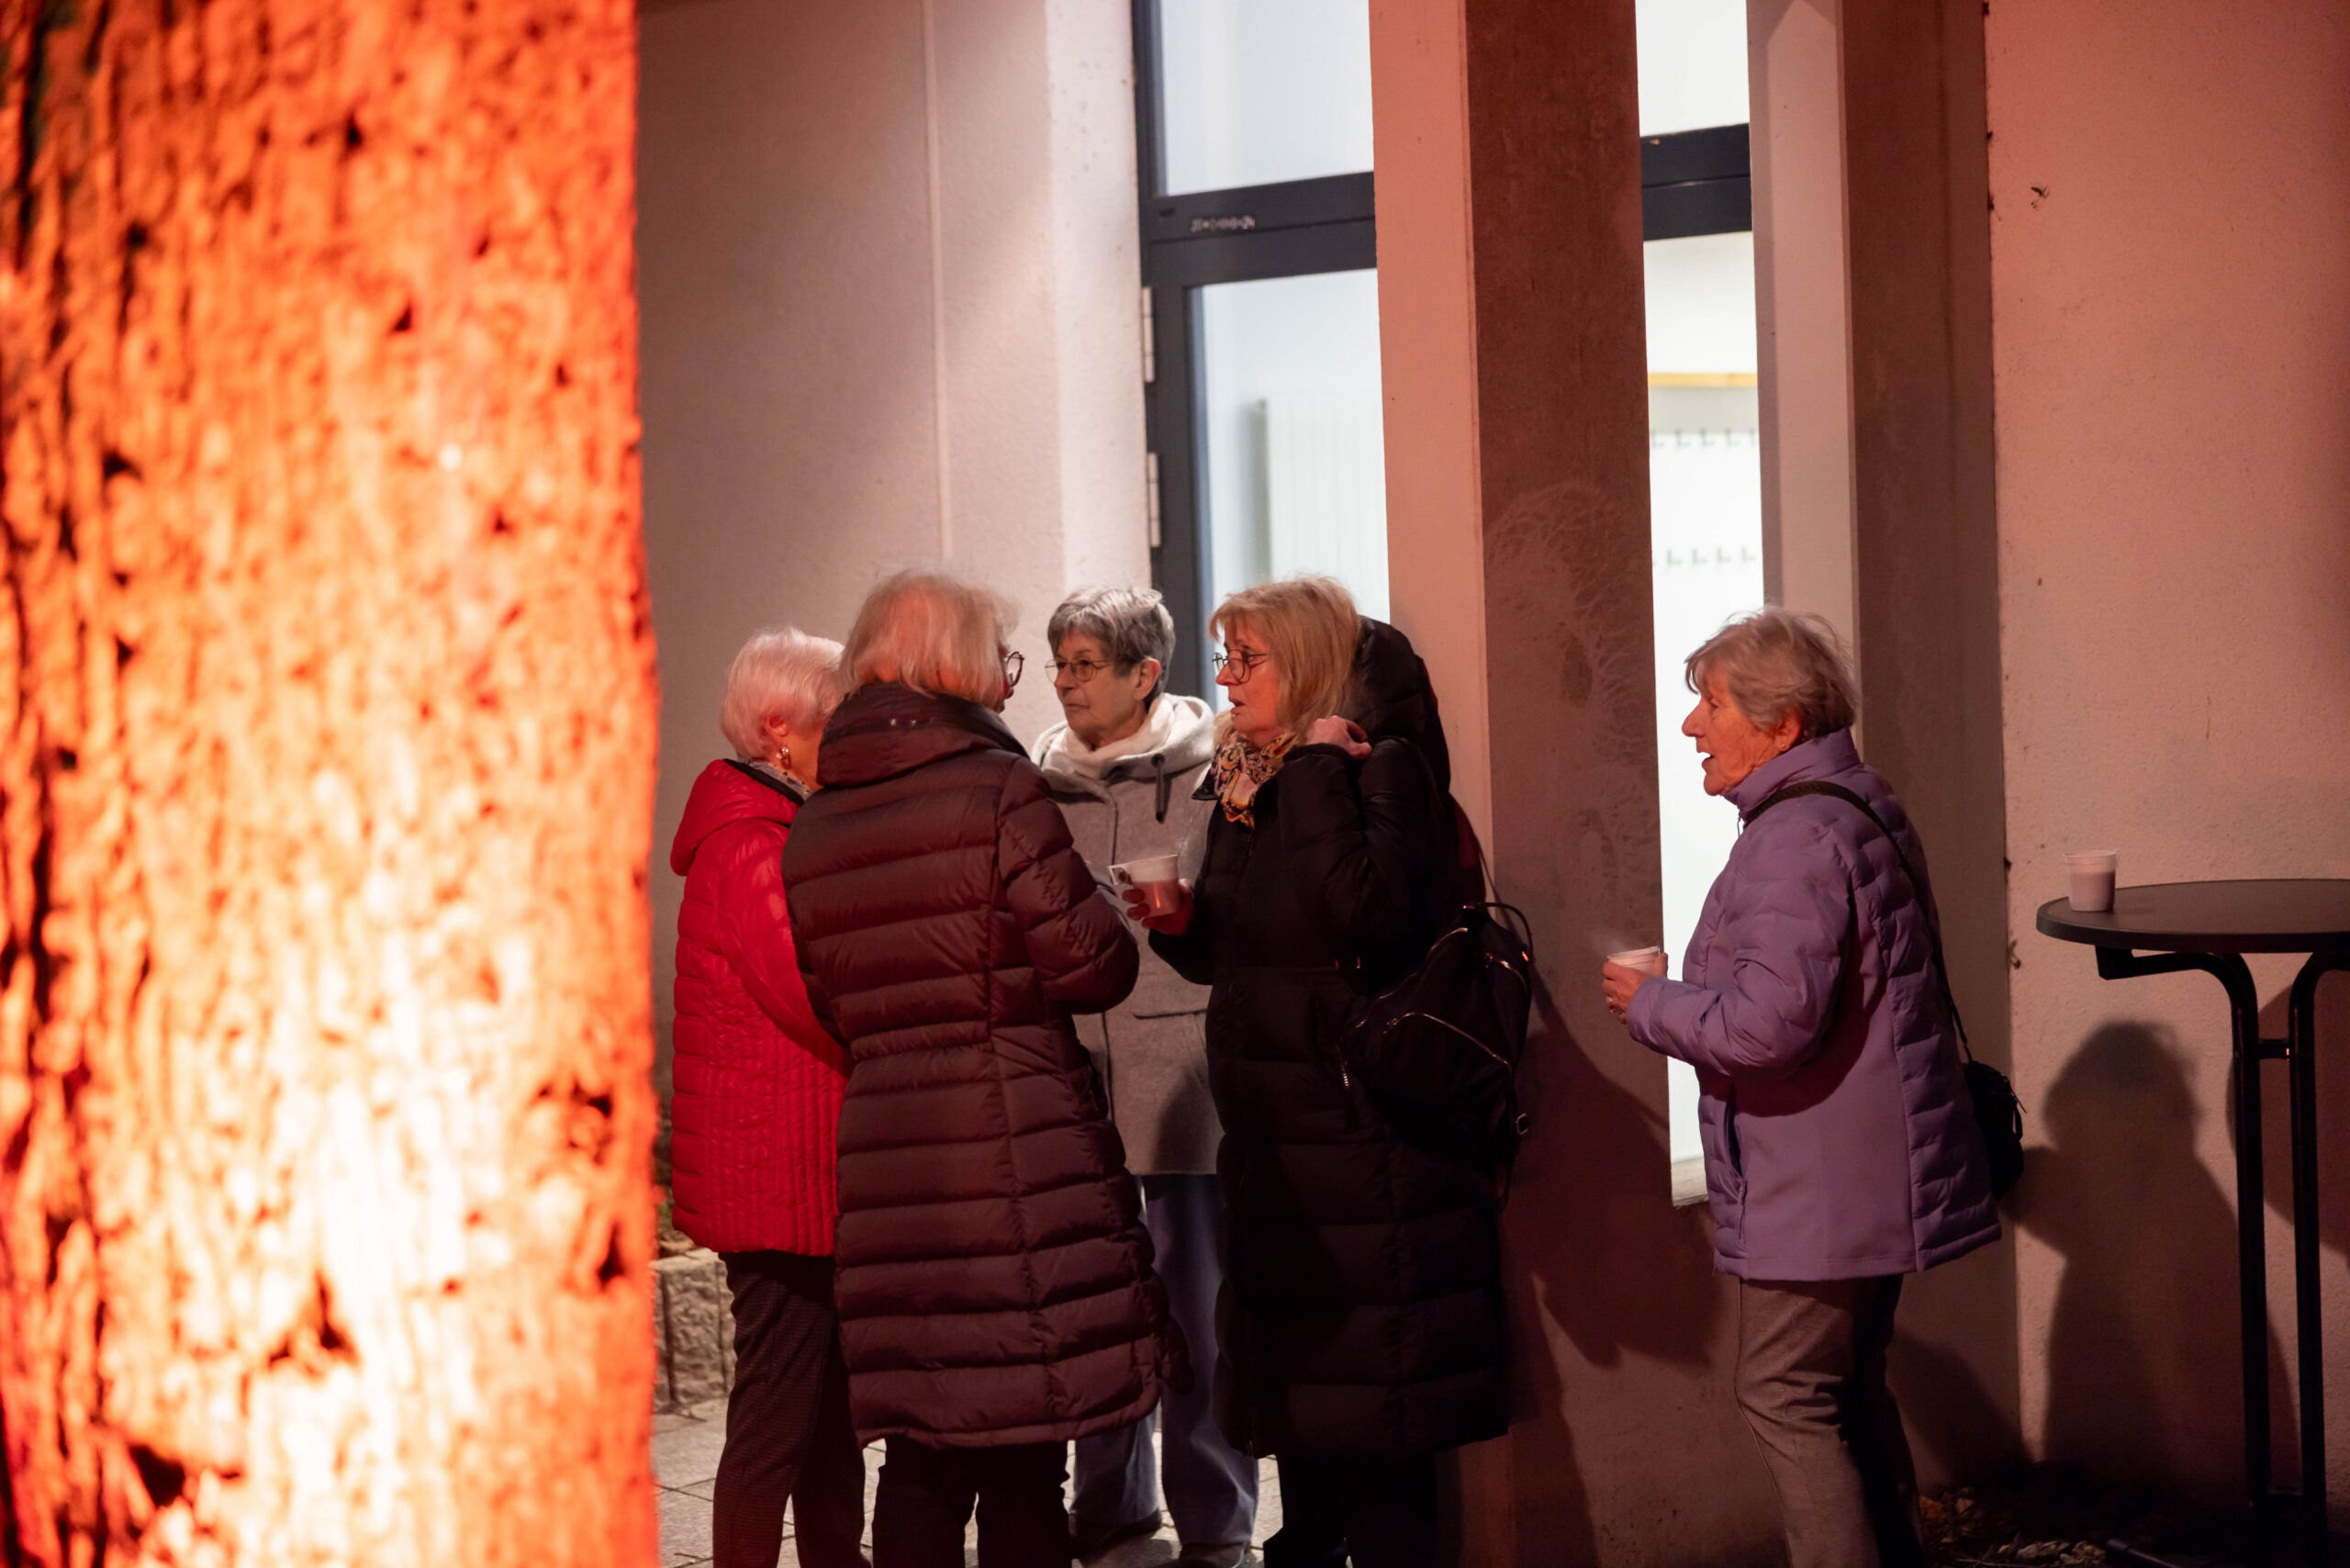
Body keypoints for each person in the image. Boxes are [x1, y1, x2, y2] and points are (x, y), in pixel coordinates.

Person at [778, 568, 1180, 1568]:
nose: (1012, 676)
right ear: (955, 664)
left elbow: (831, 1001)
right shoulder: (999, 788)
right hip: (1014, 1157)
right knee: (1021, 1455)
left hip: (889, 1162)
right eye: (1002, 655)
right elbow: (1091, 966)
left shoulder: (817, 818)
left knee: (922, 1451)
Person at [1599, 608, 2000, 1568]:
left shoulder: (1793, 839)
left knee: (1783, 1393)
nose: (1692, 725)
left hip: (1820, 1183)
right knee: (1847, 1388)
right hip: (1865, 1169)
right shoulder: (1856, 802)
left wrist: (1651, 1003)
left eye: (1711, 704)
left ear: (1780, 724)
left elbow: (1765, 1027)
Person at [1137, 577, 1506, 1568]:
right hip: (1276, 1145)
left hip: (1365, 1145)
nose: (1225, 679)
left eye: (1246, 658)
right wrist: (1182, 927)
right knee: (1302, 1414)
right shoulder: (1245, 780)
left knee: (1375, 1428)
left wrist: (1311, 768)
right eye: (1225, 657)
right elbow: (1243, 950)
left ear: (1304, 666)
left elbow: (1364, 916)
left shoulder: (1377, 768)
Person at [1030, 588, 1257, 1568]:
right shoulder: (1037, 780)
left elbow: (1243, 914)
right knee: (1096, 1307)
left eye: (1084, 664)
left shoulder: (1215, 771)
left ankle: (1215, 1518)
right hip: (1073, 1077)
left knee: (1196, 1310)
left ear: (1144, 674)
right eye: (1059, 663)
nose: (1064, 683)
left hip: (1181, 1083)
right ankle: (1110, 1506)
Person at [667, 625, 868, 1568]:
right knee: (777, 1417)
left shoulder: (776, 828)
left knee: (828, 1412)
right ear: (780, 729)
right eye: (836, 719)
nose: (849, 737)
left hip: (798, 1172)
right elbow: (808, 991)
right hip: (777, 1183)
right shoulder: (751, 843)